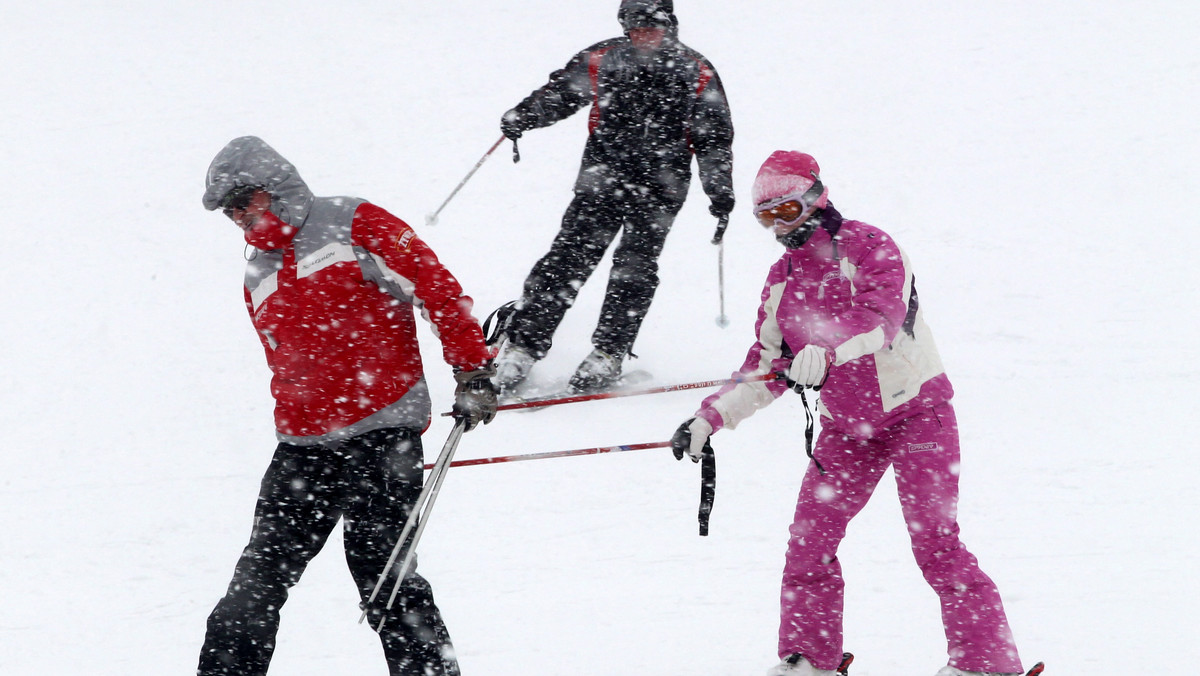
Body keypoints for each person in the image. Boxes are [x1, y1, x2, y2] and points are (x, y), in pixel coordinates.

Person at [670, 151, 1036, 676]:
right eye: (766, 218)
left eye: (787, 210)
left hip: (917, 414)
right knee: (809, 540)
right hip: (847, 429)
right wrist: (711, 417)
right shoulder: (782, 280)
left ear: (816, 198)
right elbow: (767, 364)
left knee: (935, 541)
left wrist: (825, 349)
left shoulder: (870, 247)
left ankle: (986, 664)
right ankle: (809, 661)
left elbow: (880, 317)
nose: (780, 227)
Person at [196, 136, 497, 676]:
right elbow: (283, 360)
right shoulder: (258, 272)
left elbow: (435, 286)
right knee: (253, 587)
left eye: (248, 201)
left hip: (381, 432)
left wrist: (471, 367)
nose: (241, 217)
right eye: (231, 210)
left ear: (276, 187)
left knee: (383, 576)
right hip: (302, 448)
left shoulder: (353, 222)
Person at [491, 0, 735, 393]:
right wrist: (525, 115)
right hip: (602, 180)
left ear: (669, 25)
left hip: (661, 188)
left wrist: (719, 191)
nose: (644, 35)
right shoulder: (604, 58)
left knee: (634, 268)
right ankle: (521, 348)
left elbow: (713, 138)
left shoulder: (696, 69)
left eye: (652, 26)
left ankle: (608, 353)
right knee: (566, 259)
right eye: (635, 27)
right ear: (625, 27)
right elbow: (561, 93)